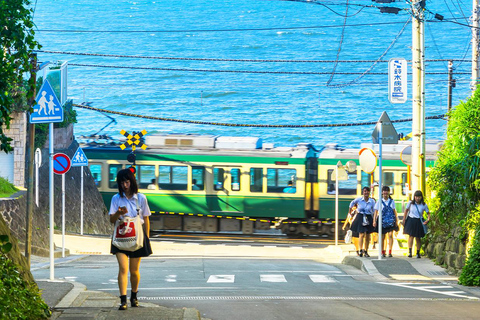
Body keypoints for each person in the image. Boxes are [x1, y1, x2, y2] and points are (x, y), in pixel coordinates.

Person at [109, 169, 153, 310]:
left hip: (137, 238)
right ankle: (123, 300)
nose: (125, 185)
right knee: (123, 268)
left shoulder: (141, 198)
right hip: (121, 237)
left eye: (127, 182)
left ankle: (134, 295)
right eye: (122, 182)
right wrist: (118, 213)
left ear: (132, 182)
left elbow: (145, 219)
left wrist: (146, 238)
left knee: (134, 271)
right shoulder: (116, 199)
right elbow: (111, 219)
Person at [348, 186, 376, 257]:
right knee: (361, 234)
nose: (366, 192)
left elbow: (375, 210)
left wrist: (374, 220)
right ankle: (360, 250)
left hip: (369, 216)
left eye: (367, 191)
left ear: (369, 192)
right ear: (363, 192)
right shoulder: (359, 200)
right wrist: (350, 213)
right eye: (364, 191)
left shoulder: (372, 201)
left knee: (367, 235)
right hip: (360, 216)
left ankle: (366, 250)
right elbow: (351, 204)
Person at [402, 190, 430, 258]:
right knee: (411, 236)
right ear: (414, 197)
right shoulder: (410, 203)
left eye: (419, 197)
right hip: (411, 220)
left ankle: (418, 252)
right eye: (416, 197)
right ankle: (410, 252)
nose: (417, 198)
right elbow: (406, 211)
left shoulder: (423, 205)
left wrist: (428, 220)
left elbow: (428, 213)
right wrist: (404, 219)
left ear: (421, 197)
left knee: (418, 237)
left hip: (419, 221)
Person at [373, 186, 399, 257]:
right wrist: (374, 221)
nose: (385, 192)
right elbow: (376, 211)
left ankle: (390, 251)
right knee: (382, 236)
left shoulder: (392, 201)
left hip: (390, 220)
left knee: (390, 235)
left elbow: (394, 211)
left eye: (387, 191)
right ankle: (382, 251)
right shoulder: (379, 201)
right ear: (382, 192)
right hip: (382, 221)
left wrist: (396, 220)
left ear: (389, 192)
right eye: (384, 191)